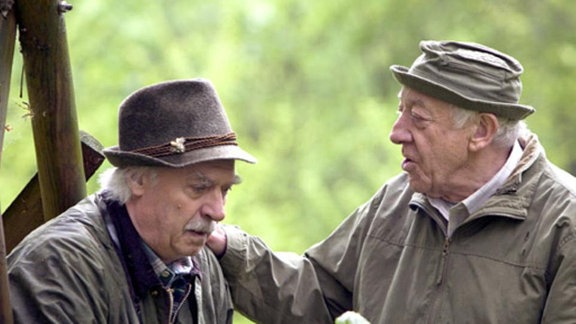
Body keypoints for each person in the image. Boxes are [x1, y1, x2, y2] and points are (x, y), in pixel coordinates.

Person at [207, 40, 576, 323]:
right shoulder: (397, 199)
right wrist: (225, 247)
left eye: (418, 118)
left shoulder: (564, 224)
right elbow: (314, 294)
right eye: (401, 111)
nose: (396, 133)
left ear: (481, 130)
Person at [7, 79, 256, 323]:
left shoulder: (204, 266)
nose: (218, 212)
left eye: (225, 190)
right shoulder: (57, 269)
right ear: (138, 179)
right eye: (199, 188)